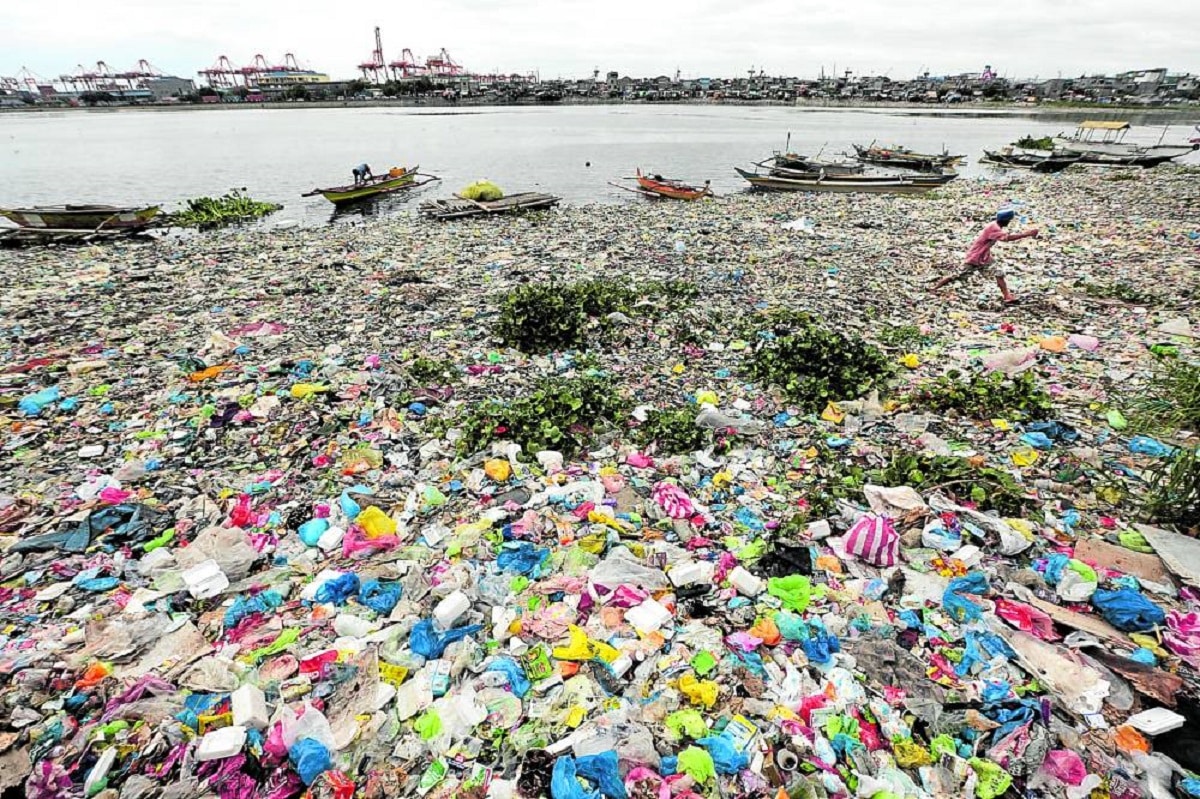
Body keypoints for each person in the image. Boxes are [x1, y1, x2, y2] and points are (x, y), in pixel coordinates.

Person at [934, 208, 1039, 304]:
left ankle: (1007, 296)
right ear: (1005, 220)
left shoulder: (996, 225)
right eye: (1009, 220)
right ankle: (935, 288)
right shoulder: (994, 228)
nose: (1009, 222)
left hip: (985, 257)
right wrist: (1027, 234)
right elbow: (1007, 238)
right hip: (975, 257)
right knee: (956, 275)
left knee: (999, 273)